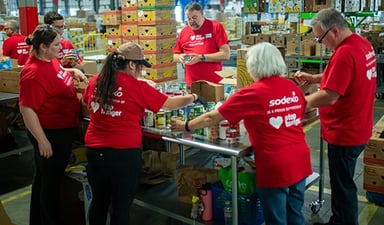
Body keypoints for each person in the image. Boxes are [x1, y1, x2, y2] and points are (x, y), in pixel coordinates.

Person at [171, 42, 313, 225]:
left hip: (276, 165)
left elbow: (211, 118)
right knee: (295, 214)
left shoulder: (252, 93)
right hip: (300, 160)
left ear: (253, 66)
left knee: (276, 219)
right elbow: (297, 115)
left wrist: (185, 125)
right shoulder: (292, 87)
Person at [82, 42, 204, 225]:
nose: (140, 71)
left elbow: (86, 102)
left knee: (99, 202)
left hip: (94, 151)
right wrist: (194, 97)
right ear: (132, 64)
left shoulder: (96, 81)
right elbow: (169, 104)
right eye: (140, 66)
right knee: (121, 207)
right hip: (123, 154)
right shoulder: (136, 87)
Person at [295, 8, 377, 225]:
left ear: (333, 31)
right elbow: (341, 73)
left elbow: (330, 96)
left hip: (345, 132)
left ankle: (343, 221)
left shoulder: (344, 53)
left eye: (320, 38)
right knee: (345, 181)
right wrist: (313, 78)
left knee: (343, 186)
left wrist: (297, 104)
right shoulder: (361, 44)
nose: (320, 43)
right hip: (359, 125)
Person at [19, 24, 88, 225]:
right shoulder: (32, 73)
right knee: (51, 184)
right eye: (57, 44)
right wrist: (42, 140)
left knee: (43, 179)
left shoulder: (49, 60)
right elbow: (27, 109)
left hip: (61, 130)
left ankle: (38, 220)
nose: (61, 47)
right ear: (43, 46)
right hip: (50, 133)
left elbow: (54, 73)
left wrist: (71, 70)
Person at [173, 1, 230, 87]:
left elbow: (226, 55)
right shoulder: (184, 32)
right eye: (188, 18)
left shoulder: (216, 27)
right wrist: (180, 58)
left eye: (194, 17)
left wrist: (200, 58)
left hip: (213, 84)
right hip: (191, 84)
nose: (191, 21)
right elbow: (174, 56)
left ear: (202, 14)